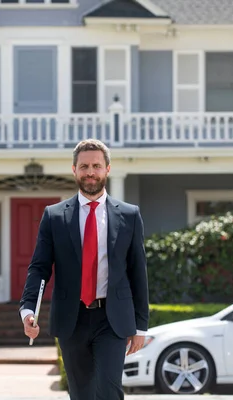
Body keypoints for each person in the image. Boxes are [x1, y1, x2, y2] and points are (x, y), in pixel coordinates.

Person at [19, 139, 149, 400]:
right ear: (74, 170)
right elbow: (39, 267)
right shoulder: (54, 216)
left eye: (96, 166)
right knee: (81, 393)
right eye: (84, 166)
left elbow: (138, 272)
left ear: (107, 170)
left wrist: (141, 325)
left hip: (112, 319)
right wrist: (28, 309)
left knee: (109, 389)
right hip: (72, 318)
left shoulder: (129, 215)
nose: (90, 172)